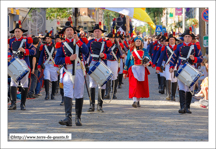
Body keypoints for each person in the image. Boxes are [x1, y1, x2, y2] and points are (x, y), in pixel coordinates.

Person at [55, 19, 89, 126]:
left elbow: (86, 51)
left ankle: (78, 118)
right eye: (67, 30)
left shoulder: (79, 43)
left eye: (71, 30)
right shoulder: (61, 45)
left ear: (74, 32)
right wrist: (69, 58)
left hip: (79, 69)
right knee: (67, 92)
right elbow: (57, 60)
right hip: (68, 70)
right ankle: (68, 117)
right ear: (64, 33)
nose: (69, 32)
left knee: (79, 93)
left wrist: (78, 40)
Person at [169, 27, 203, 114]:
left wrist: (194, 58)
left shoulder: (195, 47)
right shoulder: (179, 47)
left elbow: (201, 58)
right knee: (181, 87)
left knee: (190, 88)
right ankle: (182, 107)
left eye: (189, 36)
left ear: (191, 38)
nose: (187, 38)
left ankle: (187, 107)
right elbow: (174, 57)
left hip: (191, 68)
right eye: (186, 36)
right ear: (183, 37)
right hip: (181, 67)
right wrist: (172, 66)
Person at [8, 20, 36, 110]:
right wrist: (8, 56)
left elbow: (34, 51)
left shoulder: (27, 41)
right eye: (15, 31)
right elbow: (9, 50)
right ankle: (13, 104)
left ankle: (22, 104)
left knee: (24, 84)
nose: (17, 33)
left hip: (24, 63)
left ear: (22, 32)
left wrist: (25, 51)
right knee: (13, 83)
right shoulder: (11, 41)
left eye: (18, 31)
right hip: (14, 64)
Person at [86, 23, 112, 113]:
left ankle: (100, 106)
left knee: (102, 84)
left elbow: (111, 56)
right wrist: (85, 64)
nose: (97, 33)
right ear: (93, 33)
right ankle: (92, 105)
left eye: (98, 31)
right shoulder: (90, 42)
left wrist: (104, 55)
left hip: (102, 64)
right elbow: (86, 54)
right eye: (95, 31)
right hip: (93, 63)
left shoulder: (106, 43)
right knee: (92, 84)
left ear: (101, 32)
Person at [123, 36, 151, 108]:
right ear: (134, 42)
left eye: (139, 41)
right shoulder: (131, 51)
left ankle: (138, 101)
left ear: (141, 42)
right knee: (134, 85)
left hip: (141, 69)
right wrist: (124, 72)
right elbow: (127, 61)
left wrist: (148, 63)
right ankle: (134, 101)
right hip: (133, 69)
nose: (138, 42)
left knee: (139, 86)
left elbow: (148, 58)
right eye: (137, 41)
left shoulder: (144, 50)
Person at [155, 32, 179, 101]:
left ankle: (173, 95)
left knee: (174, 79)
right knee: (168, 78)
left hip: (176, 65)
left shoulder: (178, 48)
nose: (171, 40)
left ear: (175, 40)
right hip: (168, 65)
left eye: (173, 39)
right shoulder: (165, 48)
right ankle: (168, 94)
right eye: (170, 39)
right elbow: (161, 57)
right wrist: (157, 67)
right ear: (169, 40)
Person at [104, 31, 126, 99]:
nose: (111, 39)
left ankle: (114, 93)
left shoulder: (117, 45)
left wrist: (122, 55)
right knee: (107, 77)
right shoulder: (105, 44)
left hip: (114, 62)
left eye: (112, 38)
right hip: (107, 61)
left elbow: (120, 53)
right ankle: (107, 93)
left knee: (114, 77)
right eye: (110, 38)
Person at [38, 30, 59, 100]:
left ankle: (52, 94)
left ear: (51, 39)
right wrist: (39, 65)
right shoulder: (44, 47)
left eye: (48, 38)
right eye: (46, 38)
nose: (47, 40)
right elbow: (41, 56)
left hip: (54, 65)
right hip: (46, 64)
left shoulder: (55, 47)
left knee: (54, 80)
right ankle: (47, 94)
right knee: (46, 78)